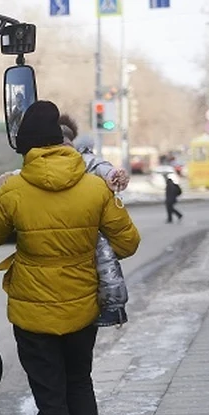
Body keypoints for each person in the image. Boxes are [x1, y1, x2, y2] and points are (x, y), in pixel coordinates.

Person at [0, 101, 141, 415]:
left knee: (51, 399)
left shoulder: (13, 190)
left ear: (27, 147)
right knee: (79, 385)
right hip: (82, 308)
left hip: (34, 314)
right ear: (62, 140)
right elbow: (128, 243)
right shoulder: (93, 188)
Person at [60, 114, 131, 327]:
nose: (63, 147)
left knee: (103, 253)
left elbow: (102, 167)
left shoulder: (86, 160)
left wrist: (112, 174)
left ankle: (114, 306)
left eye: (67, 142)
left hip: (85, 221)